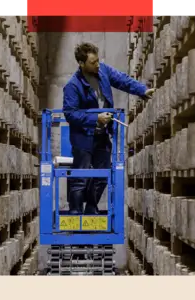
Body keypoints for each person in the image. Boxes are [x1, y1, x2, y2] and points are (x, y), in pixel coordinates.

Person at [63, 42, 155, 215]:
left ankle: (91, 207)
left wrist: (143, 90)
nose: (97, 64)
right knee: (80, 178)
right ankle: (75, 212)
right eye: (93, 62)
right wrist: (95, 118)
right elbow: (70, 114)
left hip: (102, 135)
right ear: (82, 64)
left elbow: (122, 80)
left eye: (98, 60)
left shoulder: (103, 70)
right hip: (83, 137)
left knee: (103, 174)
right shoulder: (73, 86)